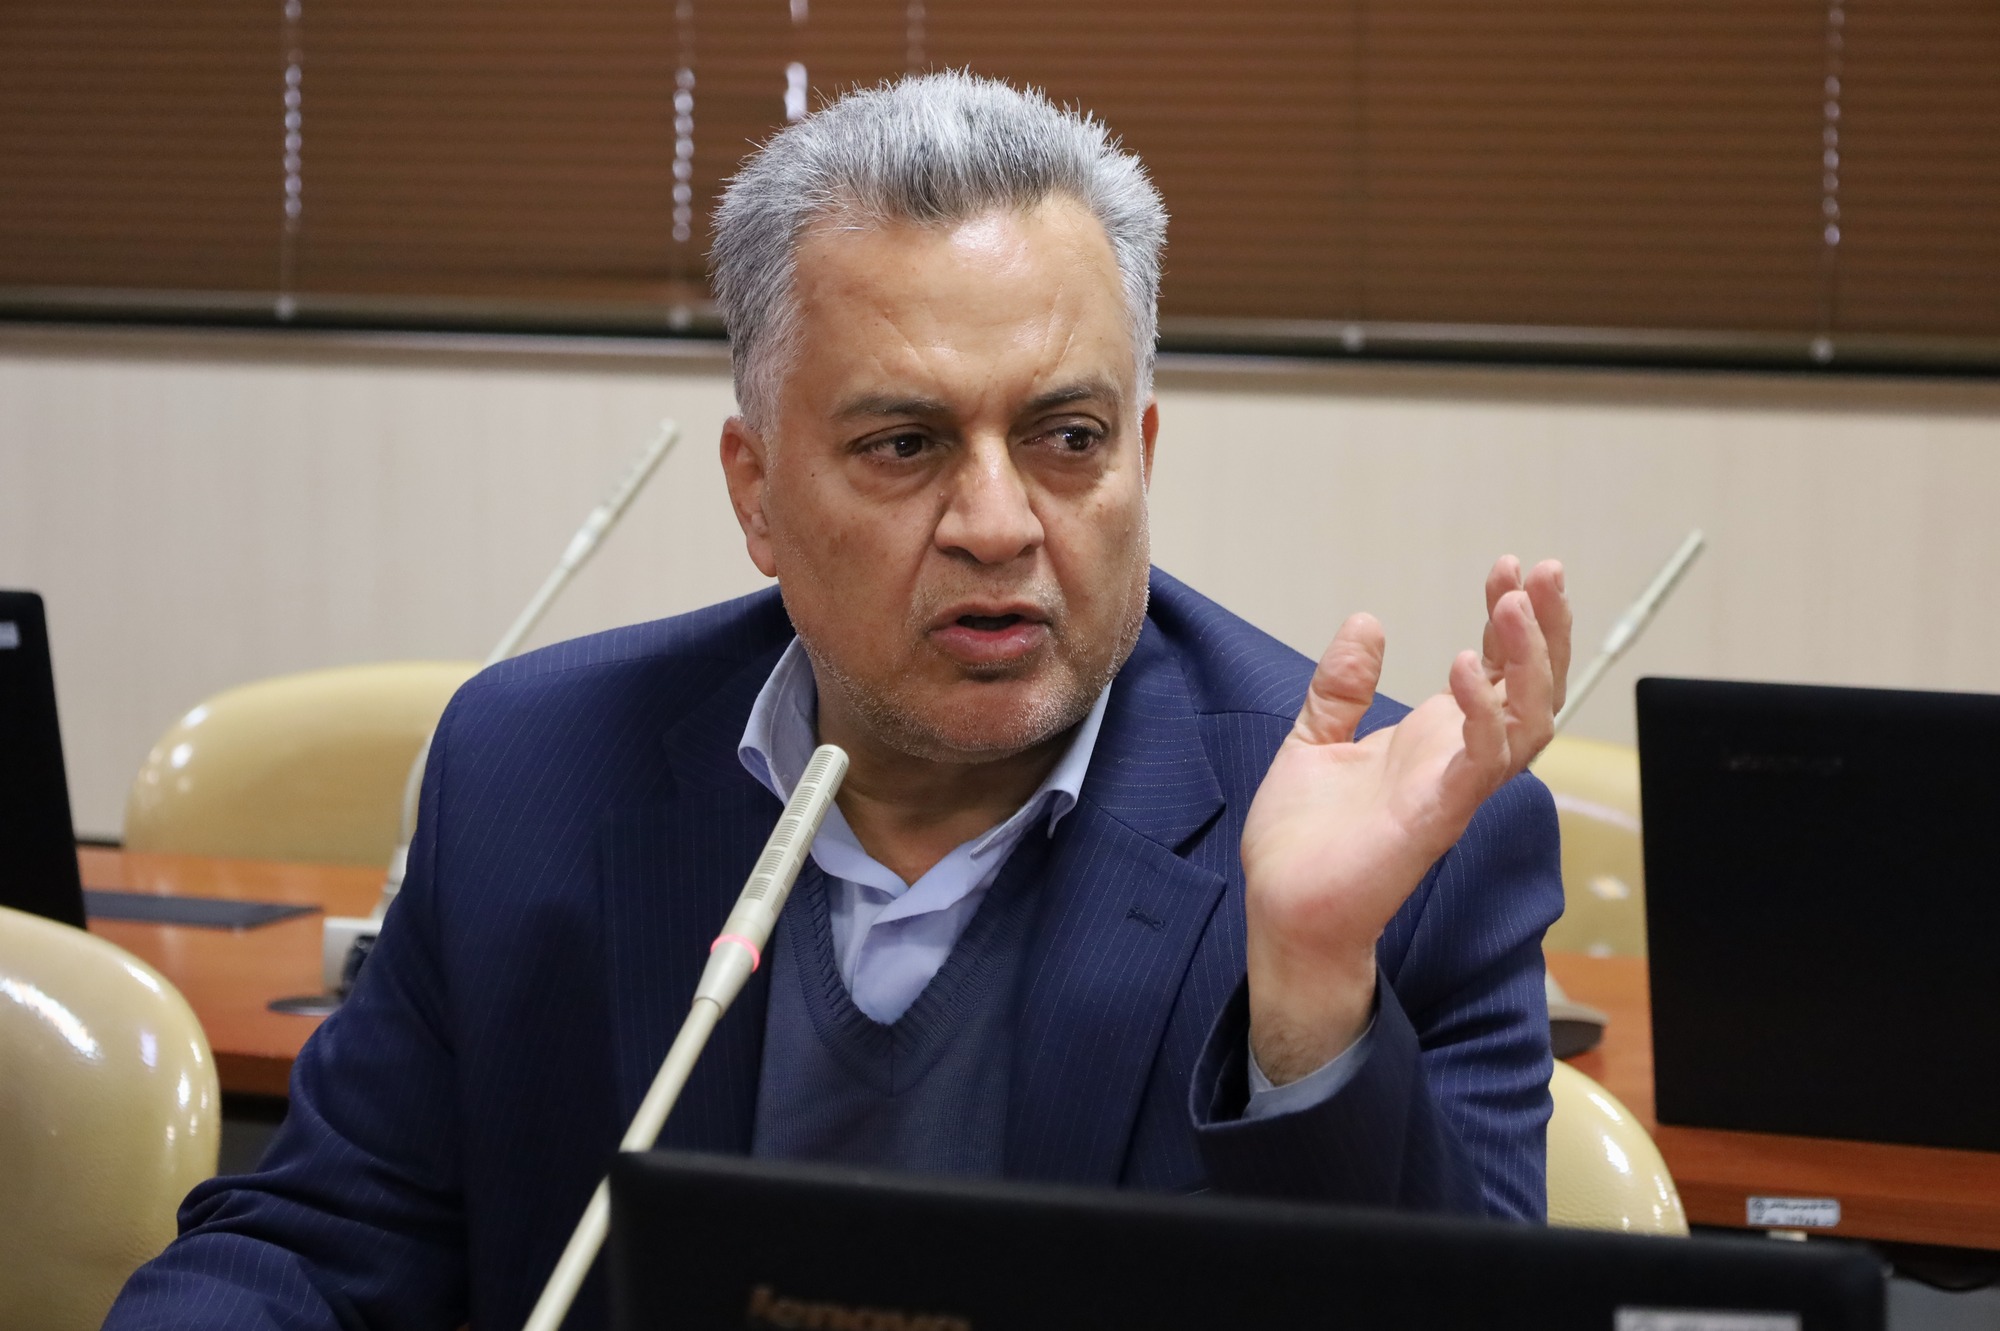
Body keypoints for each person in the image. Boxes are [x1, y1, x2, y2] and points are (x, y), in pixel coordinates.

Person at [107, 72, 1570, 1330]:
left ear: (1142, 452)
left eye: (1066, 437)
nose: (997, 523)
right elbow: (317, 1250)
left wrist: (1309, 992)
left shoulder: (1387, 852)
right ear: (757, 493)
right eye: (905, 445)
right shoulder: (534, 770)